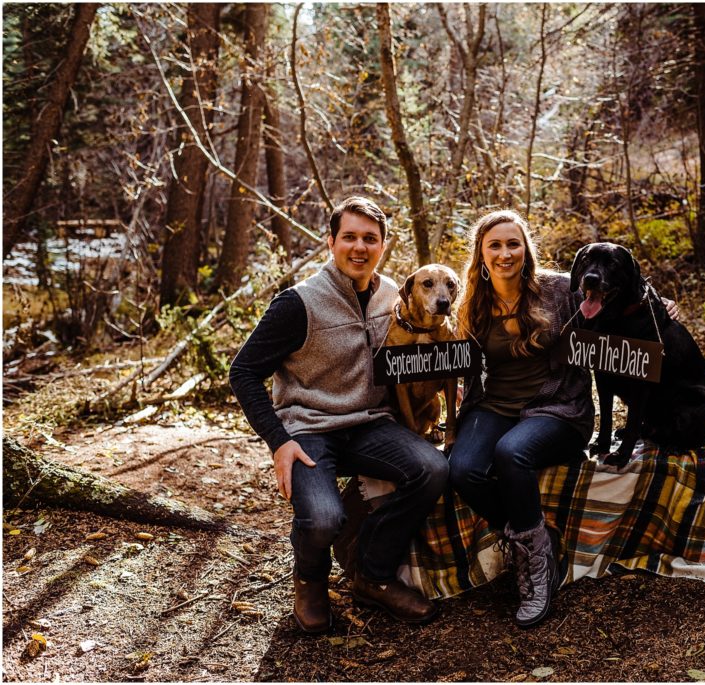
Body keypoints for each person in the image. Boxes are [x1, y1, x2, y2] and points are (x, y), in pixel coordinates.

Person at [229, 196, 448, 632]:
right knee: (324, 518)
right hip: (309, 429)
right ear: (331, 241)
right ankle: (310, 581)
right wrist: (279, 440)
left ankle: (373, 574)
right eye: (349, 237)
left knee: (433, 470)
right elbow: (243, 372)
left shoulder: (396, 298)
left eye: (370, 238)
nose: (359, 247)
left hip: (371, 425)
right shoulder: (299, 303)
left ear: (384, 245)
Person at [449, 209, 594, 628]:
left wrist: (661, 306)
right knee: (462, 469)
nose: (505, 252)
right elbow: (459, 360)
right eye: (494, 245)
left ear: (525, 249)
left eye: (513, 243)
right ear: (481, 253)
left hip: (559, 409)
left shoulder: (561, 289)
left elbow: (617, 297)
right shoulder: (472, 301)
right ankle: (537, 539)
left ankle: (536, 571)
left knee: (512, 453)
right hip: (493, 406)